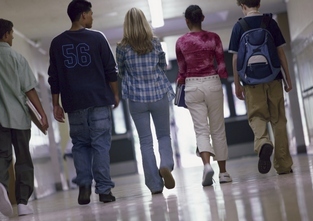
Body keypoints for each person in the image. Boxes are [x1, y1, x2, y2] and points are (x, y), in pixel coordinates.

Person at [48, 0, 119, 205]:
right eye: (90, 13)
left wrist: (55, 104)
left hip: (73, 103)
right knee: (100, 145)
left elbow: (54, 77)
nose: (92, 17)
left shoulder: (57, 43)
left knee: (80, 145)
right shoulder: (97, 38)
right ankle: (104, 190)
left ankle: (84, 186)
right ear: (82, 15)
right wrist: (115, 94)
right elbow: (110, 69)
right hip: (98, 99)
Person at [0, 18, 49, 217]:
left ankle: (0, 183)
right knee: (23, 159)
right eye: (11, 34)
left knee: (0, 157)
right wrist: (42, 114)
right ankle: (22, 202)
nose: (12, 37)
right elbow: (29, 89)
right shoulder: (17, 57)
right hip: (19, 117)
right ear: (6, 35)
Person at [228, 0, 293, 175]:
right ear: (259, 3)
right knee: (278, 119)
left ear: (242, 5)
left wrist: (237, 84)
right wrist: (288, 78)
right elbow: (280, 53)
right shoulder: (270, 22)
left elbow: (235, 59)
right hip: (274, 78)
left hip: (251, 82)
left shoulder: (238, 26)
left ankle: (263, 141)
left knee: (257, 116)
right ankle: (284, 165)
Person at [116, 8, 176, 194]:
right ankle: (165, 164)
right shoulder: (155, 43)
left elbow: (121, 71)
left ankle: (154, 185)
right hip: (158, 94)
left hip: (136, 99)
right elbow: (162, 65)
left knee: (145, 141)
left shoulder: (122, 47)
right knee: (164, 136)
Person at [175, 5, 232, 186]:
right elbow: (222, 66)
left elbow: (182, 71)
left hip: (192, 86)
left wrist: (181, 80)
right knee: (218, 129)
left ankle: (207, 166)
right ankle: (223, 173)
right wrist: (221, 76)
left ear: (187, 21)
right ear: (203, 18)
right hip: (212, 83)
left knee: (201, 130)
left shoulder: (181, 42)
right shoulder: (213, 38)